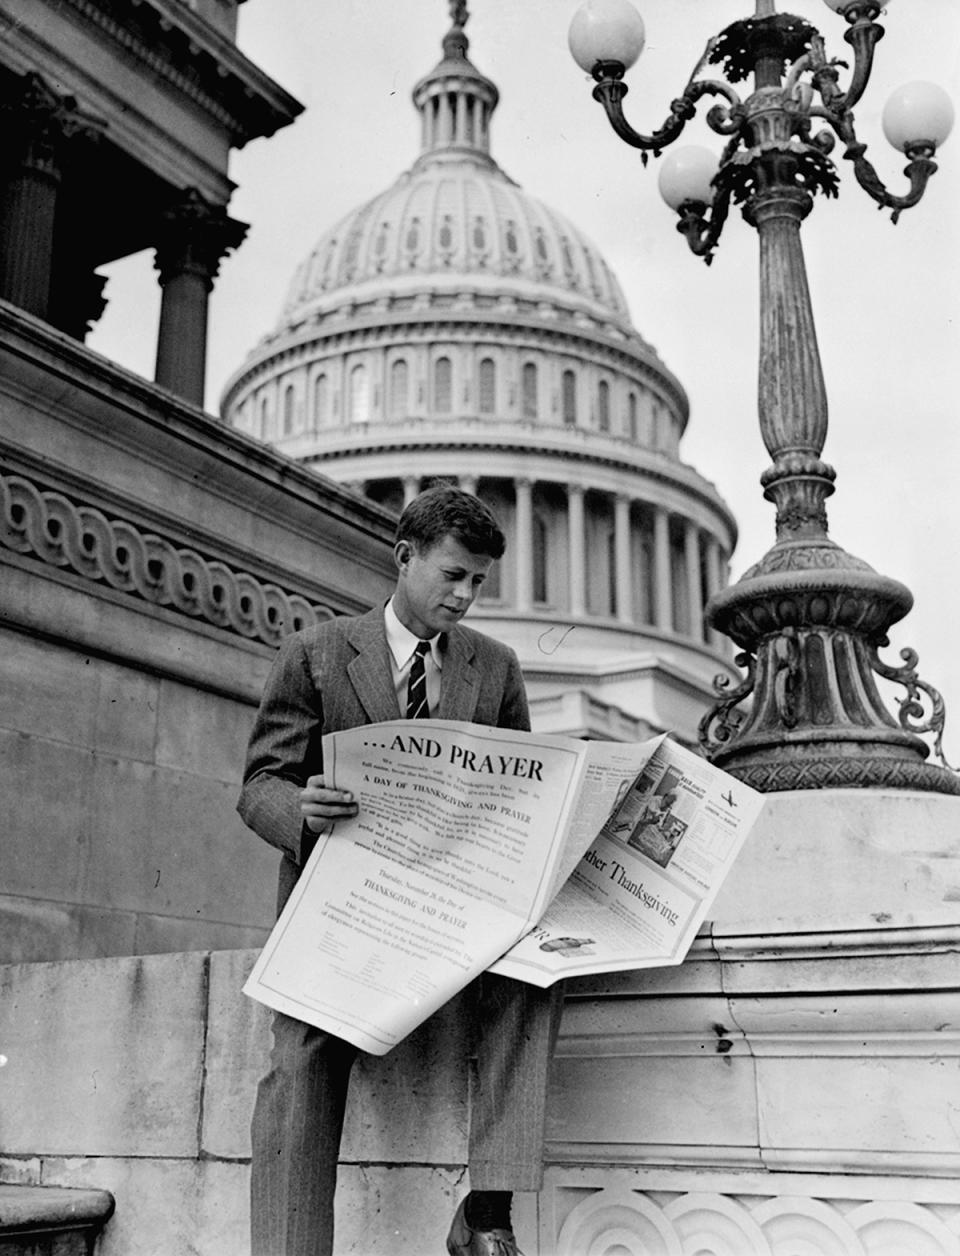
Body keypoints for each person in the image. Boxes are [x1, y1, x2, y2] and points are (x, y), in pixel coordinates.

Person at [238, 485, 563, 1256]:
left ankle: (486, 1212)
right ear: (404, 557)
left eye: (479, 582)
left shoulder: (497, 668)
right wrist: (301, 810)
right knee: (301, 1058)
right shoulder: (317, 654)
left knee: (537, 972)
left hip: (455, 909)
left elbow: (516, 793)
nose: (465, 596)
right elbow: (258, 787)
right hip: (347, 913)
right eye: (453, 575)